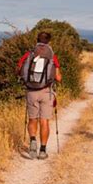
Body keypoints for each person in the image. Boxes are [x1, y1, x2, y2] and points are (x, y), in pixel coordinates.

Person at [17, 32, 62, 160]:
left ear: (36, 40)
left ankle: (32, 141)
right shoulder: (52, 56)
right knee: (44, 121)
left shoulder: (28, 54)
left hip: (31, 91)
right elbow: (58, 78)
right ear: (49, 42)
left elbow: (19, 71)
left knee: (32, 119)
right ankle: (42, 151)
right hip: (46, 92)